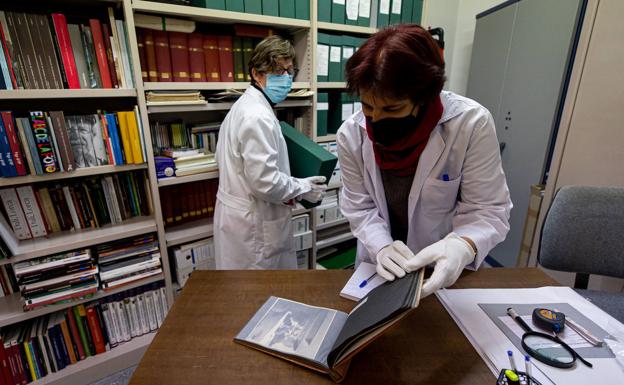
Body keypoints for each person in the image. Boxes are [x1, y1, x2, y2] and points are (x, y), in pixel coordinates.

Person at [338, 24, 512, 297]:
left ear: (424, 97)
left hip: (442, 268)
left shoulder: (470, 124)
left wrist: (462, 246)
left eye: (392, 108)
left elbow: (488, 210)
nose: (376, 119)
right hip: (377, 269)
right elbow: (359, 207)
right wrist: (381, 246)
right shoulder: (351, 135)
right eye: (367, 106)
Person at [214, 35, 327, 269]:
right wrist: (305, 187)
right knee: (261, 293)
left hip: (241, 218)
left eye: (289, 71)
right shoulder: (257, 116)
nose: (285, 79)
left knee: (245, 291)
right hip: (254, 227)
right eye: (277, 72)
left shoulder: (244, 107)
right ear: (256, 74)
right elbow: (265, 183)